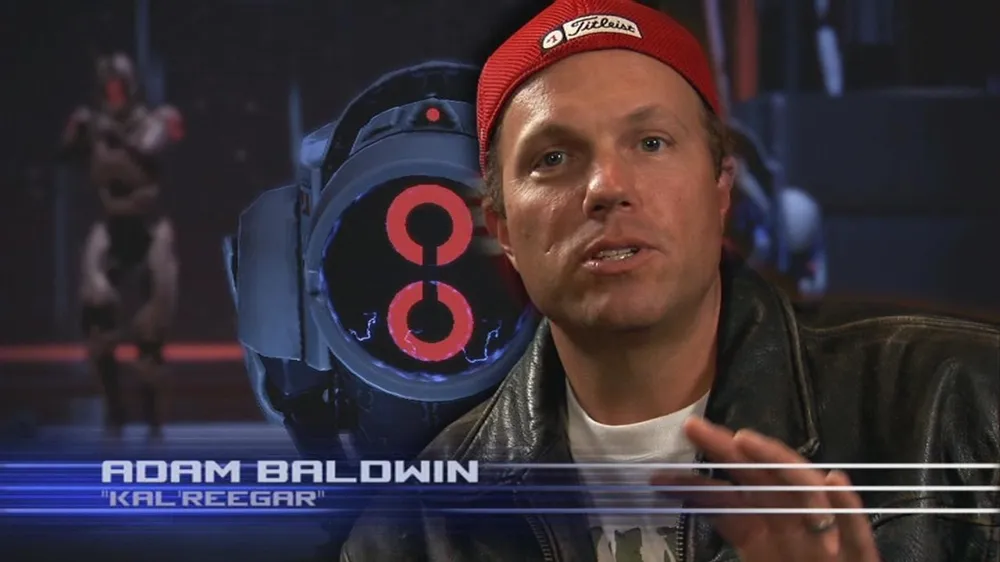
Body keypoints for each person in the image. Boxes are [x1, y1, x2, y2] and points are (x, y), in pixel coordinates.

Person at [340, 1, 999, 561]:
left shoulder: (962, 405)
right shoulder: (411, 528)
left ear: (720, 188)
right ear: (503, 228)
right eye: (554, 157)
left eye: (651, 142)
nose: (607, 187)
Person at [59, 52, 184, 442]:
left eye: (120, 87)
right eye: (108, 88)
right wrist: (78, 131)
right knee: (97, 320)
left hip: (149, 227)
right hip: (111, 225)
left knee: (151, 329)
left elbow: (149, 146)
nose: (114, 95)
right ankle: (114, 412)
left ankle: (154, 423)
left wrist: (111, 130)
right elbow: (66, 156)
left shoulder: (152, 121)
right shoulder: (92, 125)